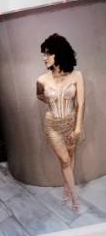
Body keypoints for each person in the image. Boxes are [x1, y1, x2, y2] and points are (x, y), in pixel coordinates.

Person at [36, 33, 84, 212]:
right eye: (43, 54)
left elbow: (81, 102)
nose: (44, 58)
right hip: (53, 126)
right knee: (64, 160)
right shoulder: (41, 80)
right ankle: (75, 199)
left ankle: (66, 191)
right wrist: (52, 101)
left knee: (70, 160)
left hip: (71, 124)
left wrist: (78, 126)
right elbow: (40, 95)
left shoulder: (77, 75)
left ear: (59, 53)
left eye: (48, 53)